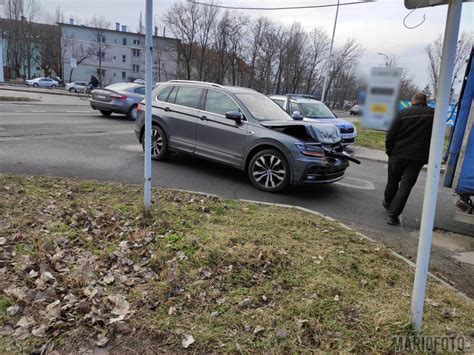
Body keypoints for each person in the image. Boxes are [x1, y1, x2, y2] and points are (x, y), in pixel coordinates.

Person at [383, 93, 435, 225]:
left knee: (392, 181)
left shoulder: (402, 113)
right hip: (417, 158)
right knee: (405, 187)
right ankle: (392, 216)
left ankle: (388, 202)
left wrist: (390, 151)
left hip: (398, 154)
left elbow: (390, 134)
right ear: (425, 102)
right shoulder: (434, 114)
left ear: (413, 101)